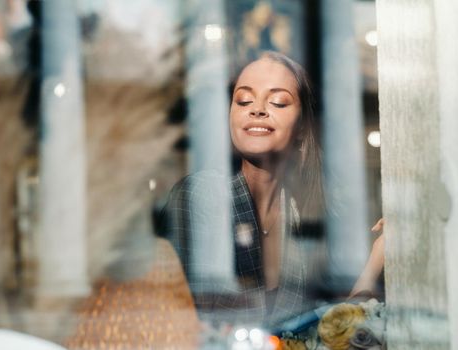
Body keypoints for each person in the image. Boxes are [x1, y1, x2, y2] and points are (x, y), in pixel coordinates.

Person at [160, 51, 383, 327]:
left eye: (278, 101)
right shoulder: (202, 194)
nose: (257, 109)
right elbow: (185, 319)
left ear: (302, 125)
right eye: (243, 100)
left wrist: (377, 257)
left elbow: (326, 334)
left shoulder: (302, 216)